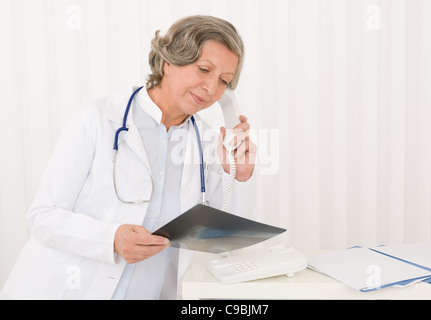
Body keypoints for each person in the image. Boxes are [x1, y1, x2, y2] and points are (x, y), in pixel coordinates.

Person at [1, 15, 257, 300]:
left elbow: (228, 240)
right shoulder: (98, 120)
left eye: (224, 81)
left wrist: (239, 175)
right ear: (168, 62)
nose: (212, 88)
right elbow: (42, 216)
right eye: (204, 69)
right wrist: (110, 238)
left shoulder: (210, 143)